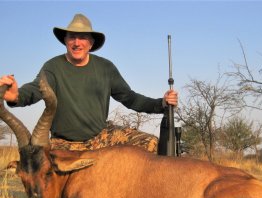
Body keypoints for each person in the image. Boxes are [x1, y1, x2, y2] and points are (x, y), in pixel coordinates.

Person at [0, 14, 178, 152]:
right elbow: (34, 89)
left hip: (100, 137)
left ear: (91, 43)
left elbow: (130, 98)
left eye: (83, 37)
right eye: (72, 37)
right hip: (63, 143)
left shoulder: (105, 68)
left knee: (151, 144)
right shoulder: (52, 67)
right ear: (66, 41)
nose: (77, 43)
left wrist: (160, 103)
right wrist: (15, 96)